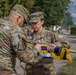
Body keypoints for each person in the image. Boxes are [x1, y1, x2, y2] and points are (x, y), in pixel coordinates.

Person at [0, 4, 39, 75]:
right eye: (23, 22)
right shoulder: (15, 30)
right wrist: (36, 49)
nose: (23, 25)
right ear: (19, 18)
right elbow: (25, 58)